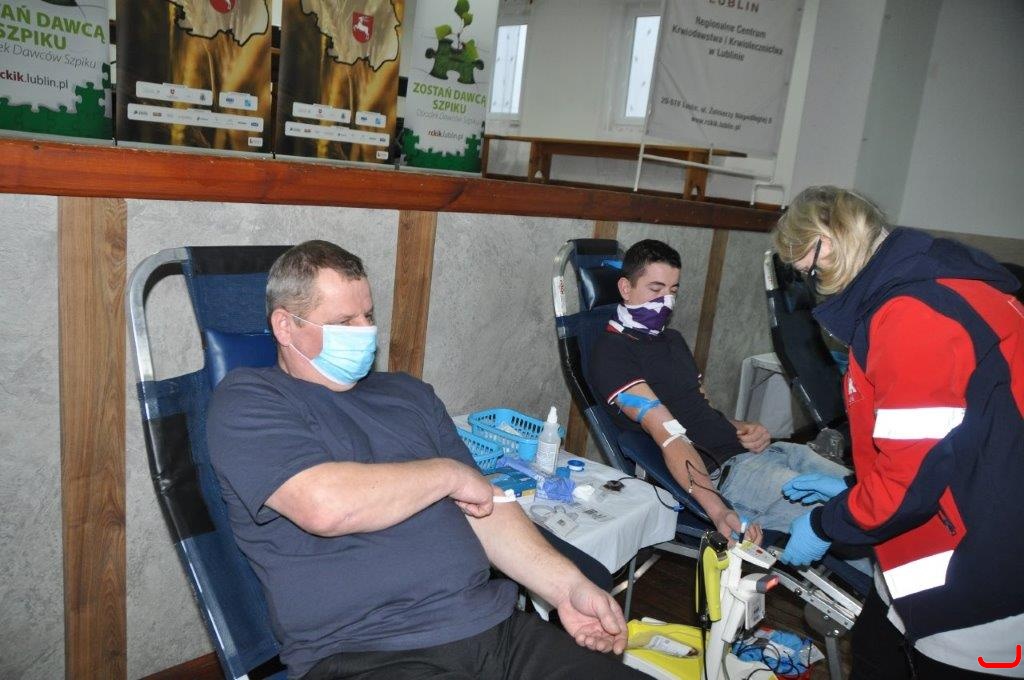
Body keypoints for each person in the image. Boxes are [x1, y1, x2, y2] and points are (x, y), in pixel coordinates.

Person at [207, 240, 645, 680]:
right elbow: (324, 506)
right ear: (285, 326)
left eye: (368, 316)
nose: (364, 331)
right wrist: (448, 474)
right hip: (366, 652)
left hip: (495, 629)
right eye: (344, 322)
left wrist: (567, 588)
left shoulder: (408, 394)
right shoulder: (250, 400)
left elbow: (486, 507)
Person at [772, 186, 1024, 679]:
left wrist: (826, 524)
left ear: (827, 242)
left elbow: (909, 484)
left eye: (808, 270)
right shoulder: (944, 285)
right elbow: (951, 438)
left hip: (978, 576)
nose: (812, 285)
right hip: (954, 526)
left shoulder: (913, 316)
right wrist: (853, 487)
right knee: (874, 647)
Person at [587, 239, 857, 549]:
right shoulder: (613, 353)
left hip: (767, 454)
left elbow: (700, 409)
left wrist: (741, 427)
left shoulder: (672, 339)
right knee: (853, 518)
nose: (666, 302)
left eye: (673, 291)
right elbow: (669, 435)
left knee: (869, 494)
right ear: (625, 288)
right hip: (729, 475)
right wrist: (717, 509)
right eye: (655, 289)